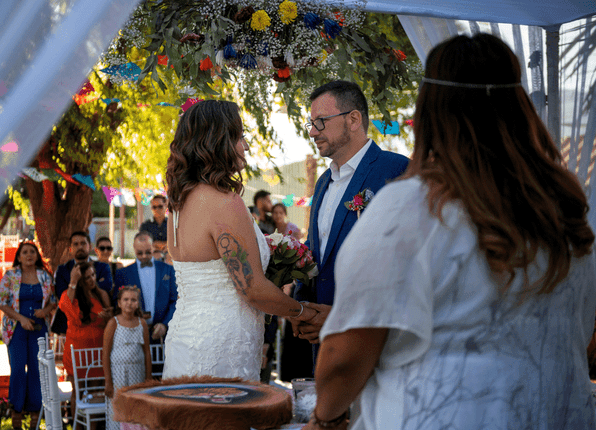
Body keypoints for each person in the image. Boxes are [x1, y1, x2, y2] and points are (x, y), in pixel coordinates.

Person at [299, 34, 596, 430]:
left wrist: (326, 415)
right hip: (560, 429)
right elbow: (582, 333)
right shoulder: (565, 209)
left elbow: (348, 351)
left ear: (431, 113)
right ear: (519, 110)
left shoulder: (411, 205)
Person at [162, 99, 318, 382]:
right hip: (222, 347)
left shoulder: (177, 203)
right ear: (218, 141)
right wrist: (302, 312)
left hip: (183, 341)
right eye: (239, 136)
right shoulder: (224, 203)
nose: (245, 145)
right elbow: (253, 289)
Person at [293, 80, 409, 364]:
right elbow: (316, 251)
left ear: (353, 119)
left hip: (374, 338)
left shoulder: (396, 170)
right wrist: (301, 307)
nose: (312, 132)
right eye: (310, 123)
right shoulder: (322, 182)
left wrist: (341, 317)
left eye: (320, 121)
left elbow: (404, 263)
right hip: (323, 340)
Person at [0, 241, 57, 430]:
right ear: (19, 256)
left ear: (37, 256)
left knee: (37, 371)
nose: (29, 255)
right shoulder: (10, 275)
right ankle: (16, 411)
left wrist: (45, 310)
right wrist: (21, 318)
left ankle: (34, 414)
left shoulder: (45, 276)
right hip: (16, 329)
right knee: (17, 369)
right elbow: (2, 302)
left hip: (39, 328)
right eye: (25, 252)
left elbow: (54, 300)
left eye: (33, 252)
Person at [59, 261, 112, 430]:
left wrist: (108, 317)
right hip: (78, 353)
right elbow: (65, 306)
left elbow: (111, 319)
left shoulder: (101, 294)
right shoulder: (71, 296)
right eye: (86, 277)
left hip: (98, 352)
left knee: (96, 394)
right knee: (79, 393)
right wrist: (73, 281)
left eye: (92, 275)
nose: (91, 280)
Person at [103, 286, 151, 430]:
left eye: (133, 300)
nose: (129, 303)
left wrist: (148, 379)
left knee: (136, 415)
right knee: (118, 415)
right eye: (126, 300)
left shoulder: (142, 324)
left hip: (137, 376)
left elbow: (146, 352)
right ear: (119, 303)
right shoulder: (113, 323)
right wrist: (108, 381)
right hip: (118, 377)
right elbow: (106, 352)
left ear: (138, 303)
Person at [113, 231, 178, 343]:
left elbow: (175, 301)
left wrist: (165, 324)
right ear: (134, 248)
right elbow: (117, 303)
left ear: (153, 247)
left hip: (164, 335)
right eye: (139, 253)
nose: (144, 256)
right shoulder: (123, 273)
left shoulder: (168, 270)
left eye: (148, 252)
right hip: (133, 335)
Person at [51, 231, 113, 334]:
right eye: (76, 244)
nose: (80, 247)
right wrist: (92, 286)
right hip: (68, 326)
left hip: (98, 323)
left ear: (90, 246)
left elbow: (107, 286)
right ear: (70, 249)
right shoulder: (63, 269)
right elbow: (61, 293)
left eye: (83, 243)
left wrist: (74, 286)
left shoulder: (102, 267)